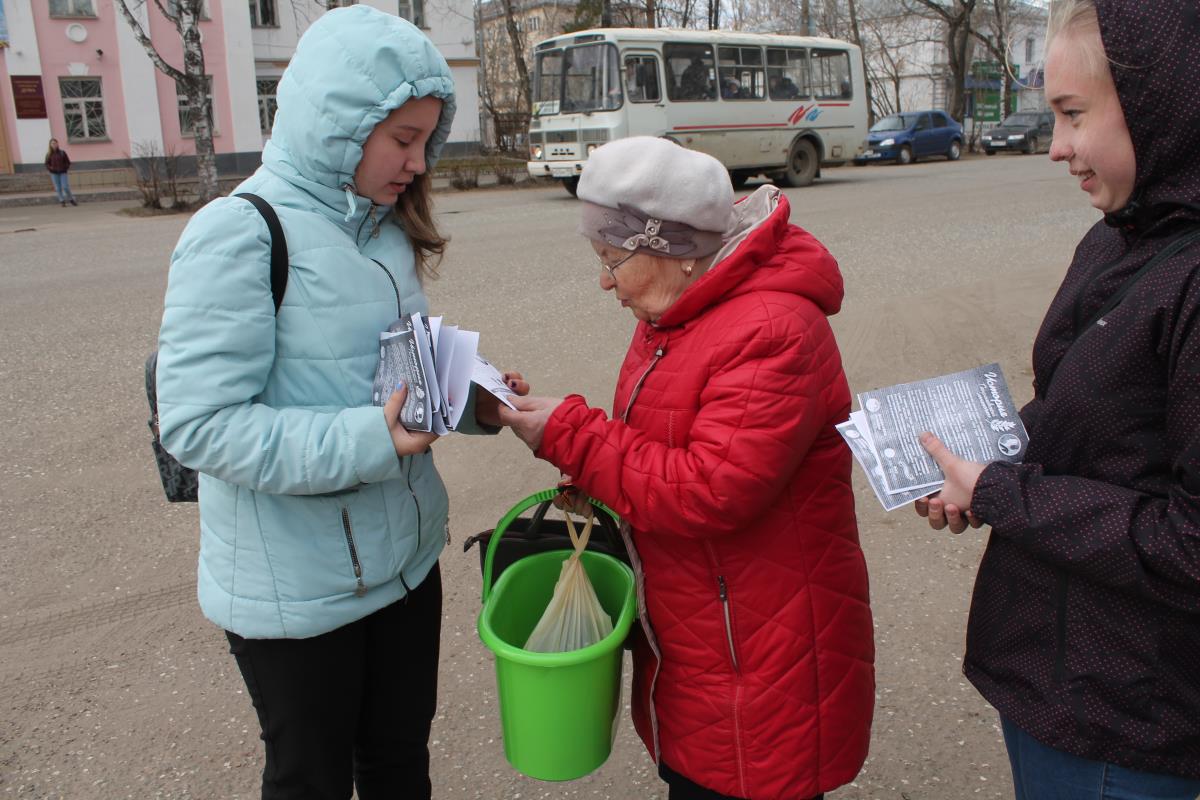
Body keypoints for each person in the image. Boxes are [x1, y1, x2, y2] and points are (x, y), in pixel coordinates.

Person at [155, 7, 525, 799]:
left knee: (398, 766)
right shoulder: (239, 232)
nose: (419, 163)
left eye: (428, 138)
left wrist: (474, 399)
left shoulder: (384, 229)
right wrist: (373, 439)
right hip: (296, 593)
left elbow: (400, 376)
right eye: (402, 139)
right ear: (336, 122)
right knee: (310, 783)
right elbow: (200, 426)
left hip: (405, 564)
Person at [499, 136, 875, 800]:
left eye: (612, 260)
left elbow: (710, 488)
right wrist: (592, 470)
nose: (604, 280)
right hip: (709, 638)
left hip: (760, 653)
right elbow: (662, 445)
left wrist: (576, 439)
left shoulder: (771, 330)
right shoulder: (676, 311)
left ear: (667, 248)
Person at [913, 1, 1200, 797]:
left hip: (1127, 718)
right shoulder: (1127, 229)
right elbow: (1086, 409)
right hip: (1056, 677)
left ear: (1163, 102)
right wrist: (982, 458)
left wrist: (1003, 490)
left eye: (1073, 114)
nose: (1056, 148)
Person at [44, 138, 77, 207]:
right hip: (54, 173)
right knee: (58, 188)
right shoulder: (48, 154)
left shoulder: (62, 152)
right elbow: (46, 164)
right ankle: (62, 201)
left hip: (63, 172)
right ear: (50, 145)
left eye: (55, 143)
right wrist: (51, 169)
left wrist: (65, 168)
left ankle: (71, 199)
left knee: (65, 187)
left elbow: (68, 162)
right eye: (52, 143)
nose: (54, 144)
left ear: (57, 144)